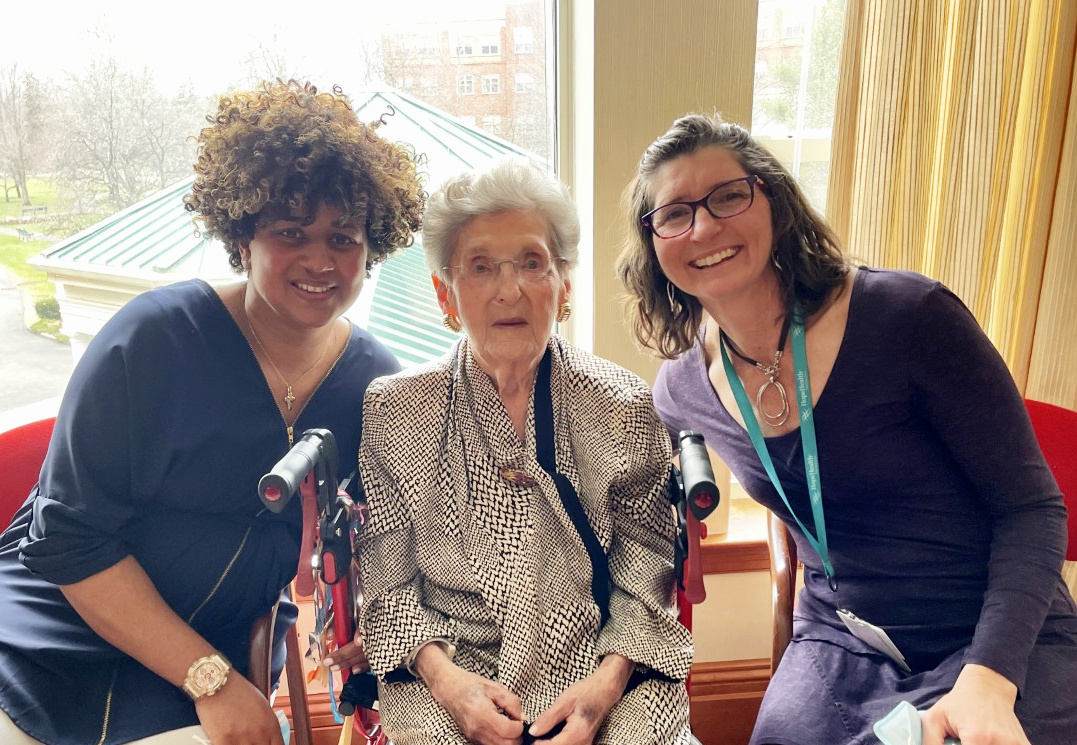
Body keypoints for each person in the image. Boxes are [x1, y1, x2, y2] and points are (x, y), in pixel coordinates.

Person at [615, 113, 1077, 745]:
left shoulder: (909, 317)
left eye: (728, 196)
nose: (704, 227)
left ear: (773, 202)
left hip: (991, 629)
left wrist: (990, 678)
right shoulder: (683, 389)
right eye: (674, 213)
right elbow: (625, 498)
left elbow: (1033, 508)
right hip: (844, 635)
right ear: (653, 243)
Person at [0, 79, 425, 745]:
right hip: (42, 643)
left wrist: (376, 618)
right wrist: (210, 678)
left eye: (343, 237)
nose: (320, 259)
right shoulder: (153, 339)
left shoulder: (375, 383)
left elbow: (388, 536)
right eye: (291, 232)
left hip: (190, 674)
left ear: (371, 246)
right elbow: (68, 538)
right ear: (242, 236)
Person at [357, 158, 693, 745]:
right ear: (447, 293)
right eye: (480, 267)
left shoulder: (621, 405)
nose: (509, 290)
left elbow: (648, 568)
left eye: (532, 263)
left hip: (604, 663)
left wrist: (604, 689)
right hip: (452, 673)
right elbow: (389, 585)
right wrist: (449, 684)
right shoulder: (394, 410)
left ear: (562, 286)